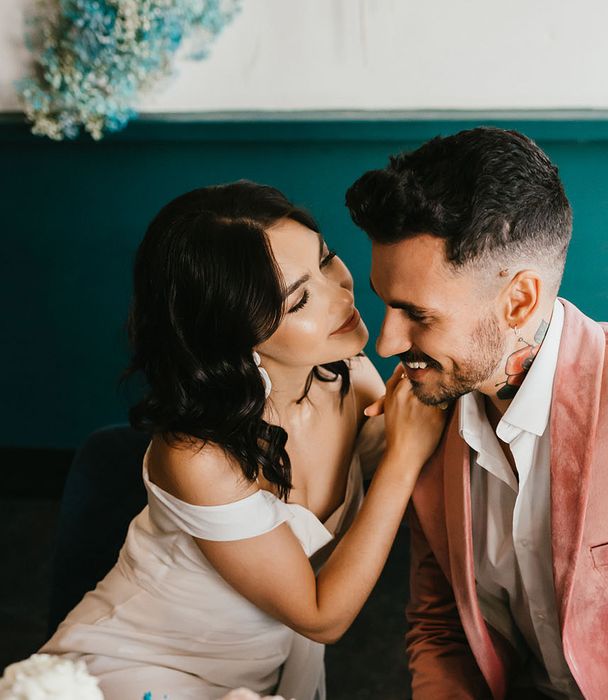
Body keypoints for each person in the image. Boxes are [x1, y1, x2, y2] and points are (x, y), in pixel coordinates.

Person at [346, 127, 608, 699]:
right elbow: (440, 627)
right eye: (384, 303)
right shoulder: (425, 411)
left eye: (417, 315)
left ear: (519, 299)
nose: (388, 343)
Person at [42, 181, 447, 700]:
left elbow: (420, 429)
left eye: (327, 261)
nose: (340, 295)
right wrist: (402, 458)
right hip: (138, 665)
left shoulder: (343, 371)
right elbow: (322, 618)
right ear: (233, 333)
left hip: (255, 676)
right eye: (300, 298)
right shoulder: (196, 456)